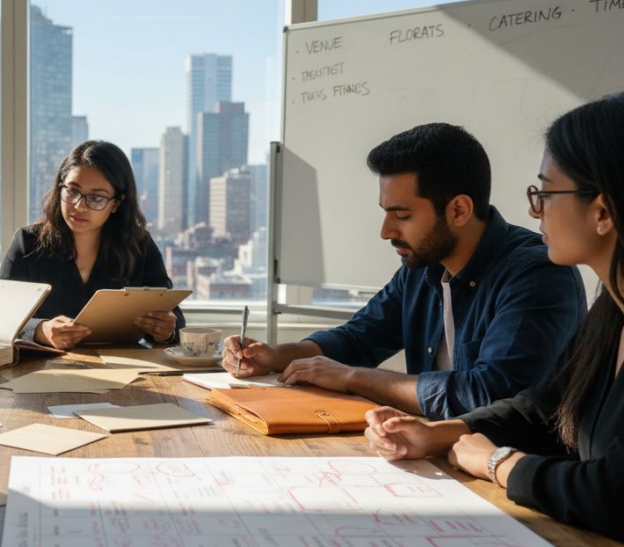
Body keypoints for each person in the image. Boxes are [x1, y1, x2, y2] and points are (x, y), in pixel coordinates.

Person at [365, 94, 624, 540]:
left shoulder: (533, 270)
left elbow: (612, 494)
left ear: (601, 211)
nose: (532, 209)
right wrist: (445, 433)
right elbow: (544, 407)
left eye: (545, 193)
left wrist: (498, 462)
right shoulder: (611, 312)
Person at [223, 122, 586, 419]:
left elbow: (488, 394)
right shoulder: (421, 267)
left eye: (402, 215)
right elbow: (359, 338)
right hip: (433, 451)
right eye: (385, 213)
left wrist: (352, 378)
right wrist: (276, 355)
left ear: (458, 210)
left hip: (510, 473)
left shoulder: (538, 274)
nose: (386, 231)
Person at [0, 140, 185, 349]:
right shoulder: (28, 243)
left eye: (96, 198)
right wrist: (40, 330)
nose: (79, 206)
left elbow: (174, 319)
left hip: (125, 369)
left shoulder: (140, 246)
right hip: (41, 369)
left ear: (116, 203)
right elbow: (0, 315)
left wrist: (166, 329)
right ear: (60, 186)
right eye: (72, 191)